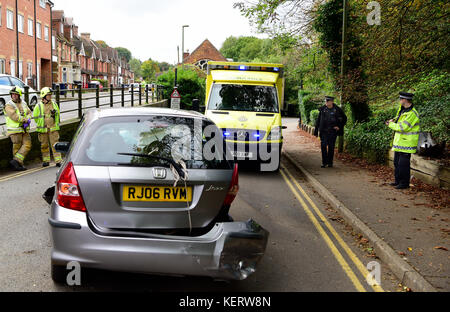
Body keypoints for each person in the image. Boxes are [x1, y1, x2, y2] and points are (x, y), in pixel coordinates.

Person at [386, 92, 420, 189]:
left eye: (400, 99)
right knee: (397, 163)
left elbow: (403, 127)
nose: (399, 100)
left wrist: (390, 125)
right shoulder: (402, 110)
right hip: (399, 143)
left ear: (405, 100)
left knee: (403, 165)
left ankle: (404, 183)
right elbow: (398, 122)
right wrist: (392, 121)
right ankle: (398, 181)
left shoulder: (412, 113)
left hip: (407, 144)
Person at [314, 96, 348, 168]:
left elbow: (344, 118)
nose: (326, 102)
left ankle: (330, 162)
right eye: (325, 101)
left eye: (328, 101)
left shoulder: (337, 110)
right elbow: (318, 120)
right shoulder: (323, 109)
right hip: (324, 131)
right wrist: (316, 131)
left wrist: (339, 126)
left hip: (332, 132)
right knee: (323, 146)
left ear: (332, 101)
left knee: (331, 147)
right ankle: (324, 162)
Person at [4, 87, 32, 171]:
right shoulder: (9, 105)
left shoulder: (23, 103)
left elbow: (29, 112)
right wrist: (25, 120)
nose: (14, 96)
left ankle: (15, 161)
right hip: (14, 130)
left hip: (24, 129)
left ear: (19, 95)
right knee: (17, 147)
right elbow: (14, 116)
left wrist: (28, 118)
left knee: (28, 145)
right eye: (12, 94)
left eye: (16, 94)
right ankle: (19, 165)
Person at [33, 87, 62, 167]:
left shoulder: (54, 104)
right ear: (44, 96)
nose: (50, 96)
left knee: (55, 144)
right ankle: (46, 160)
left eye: (50, 95)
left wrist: (54, 114)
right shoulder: (38, 106)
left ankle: (58, 161)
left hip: (53, 128)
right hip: (43, 129)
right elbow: (35, 117)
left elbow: (58, 115)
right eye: (48, 95)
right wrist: (42, 123)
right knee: (44, 145)